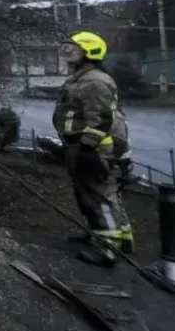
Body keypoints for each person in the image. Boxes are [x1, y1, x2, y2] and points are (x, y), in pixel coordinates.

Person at [51, 31, 135, 266]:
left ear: (89, 53)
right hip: (85, 145)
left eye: (72, 50)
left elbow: (98, 119)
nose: (66, 54)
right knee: (100, 195)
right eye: (65, 49)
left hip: (95, 148)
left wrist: (87, 147)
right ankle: (121, 239)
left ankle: (107, 249)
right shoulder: (83, 78)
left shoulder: (94, 81)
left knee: (99, 197)